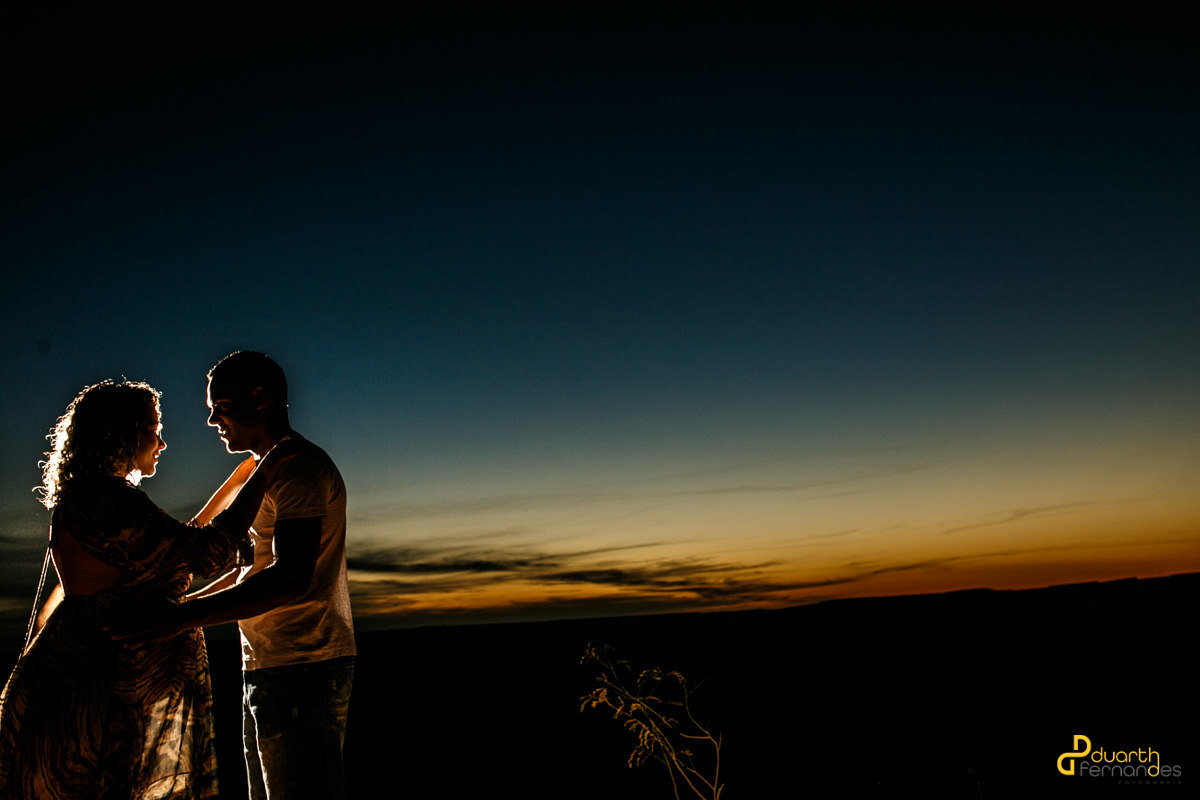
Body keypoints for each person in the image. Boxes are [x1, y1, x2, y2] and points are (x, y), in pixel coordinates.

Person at [0, 379, 288, 800]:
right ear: (123, 433)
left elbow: (176, 545)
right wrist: (269, 469)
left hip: (82, 678)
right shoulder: (110, 500)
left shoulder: (89, 496)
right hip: (103, 693)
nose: (162, 443)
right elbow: (204, 553)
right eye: (154, 429)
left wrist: (239, 481)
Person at [145, 351, 356, 800]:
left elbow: (290, 576)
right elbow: (252, 570)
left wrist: (181, 620)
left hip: (304, 669)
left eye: (219, 406)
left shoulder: (299, 469)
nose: (210, 420)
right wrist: (181, 608)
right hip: (269, 667)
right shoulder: (263, 473)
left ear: (259, 398)